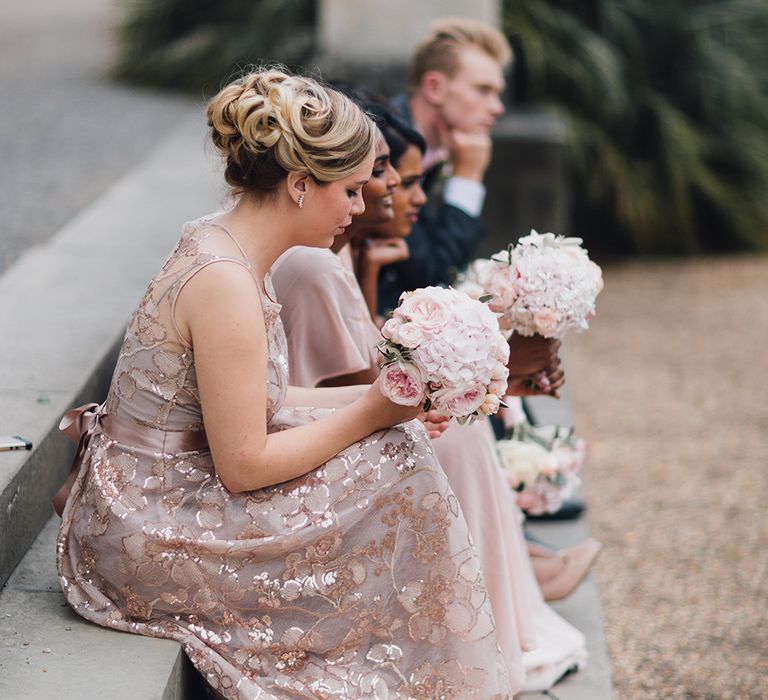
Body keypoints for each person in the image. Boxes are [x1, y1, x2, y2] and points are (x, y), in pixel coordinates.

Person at [55, 69, 514, 698]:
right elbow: (244, 465)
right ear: (300, 185)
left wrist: (393, 396)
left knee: (400, 447)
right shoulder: (223, 279)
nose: (360, 207)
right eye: (351, 190)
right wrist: (376, 413)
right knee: (401, 464)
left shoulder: (231, 244)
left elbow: (266, 400)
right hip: (148, 524)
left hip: (163, 489)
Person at [272, 103, 589, 692]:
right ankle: (483, 623)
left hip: (337, 418)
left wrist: (497, 376)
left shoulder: (343, 253)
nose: (397, 188)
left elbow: (367, 360)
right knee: (461, 440)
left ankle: (497, 605)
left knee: (465, 431)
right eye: (386, 171)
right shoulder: (314, 266)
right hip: (313, 443)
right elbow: (342, 388)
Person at [378, 17, 510, 313]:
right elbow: (432, 275)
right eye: (483, 90)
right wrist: (468, 176)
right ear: (435, 87)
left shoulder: (435, 146)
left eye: (498, 92)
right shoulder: (387, 146)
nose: (497, 107)